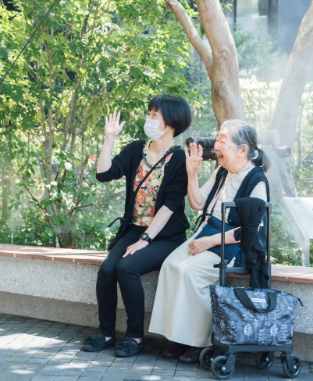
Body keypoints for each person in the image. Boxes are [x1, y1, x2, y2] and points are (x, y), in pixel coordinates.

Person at [148, 119, 270, 364]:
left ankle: (197, 343)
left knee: (191, 272)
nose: (216, 146)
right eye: (217, 139)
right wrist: (192, 174)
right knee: (171, 265)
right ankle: (176, 336)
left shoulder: (257, 181)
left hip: (234, 246)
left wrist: (211, 241)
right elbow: (198, 204)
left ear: (242, 150)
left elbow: (251, 231)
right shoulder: (222, 171)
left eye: (222, 141)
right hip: (206, 233)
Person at [81, 95, 192, 358]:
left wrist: (146, 239)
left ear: (172, 122)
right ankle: (106, 334)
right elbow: (104, 174)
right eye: (150, 113)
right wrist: (109, 139)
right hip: (134, 229)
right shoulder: (135, 150)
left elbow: (171, 205)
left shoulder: (179, 159)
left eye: (155, 115)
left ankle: (135, 337)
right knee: (107, 269)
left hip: (166, 235)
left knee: (127, 267)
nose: (149, 119)